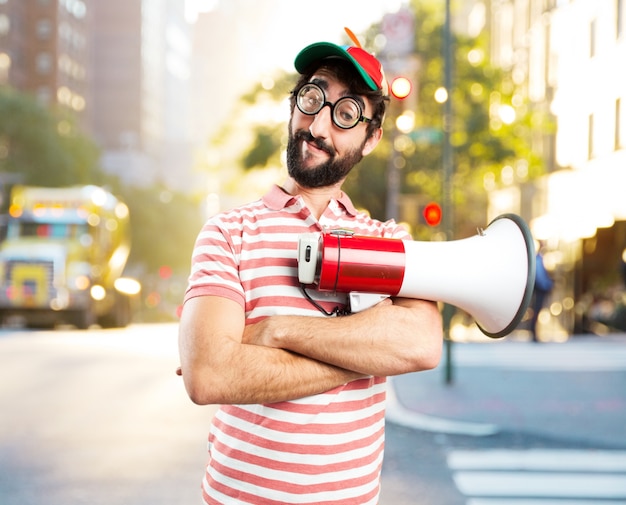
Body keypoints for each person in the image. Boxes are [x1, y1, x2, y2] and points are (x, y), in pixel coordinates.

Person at [177, 32, 443, 505]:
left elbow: (419, 345)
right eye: (312, 97)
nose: (318, 125)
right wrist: (363, 354)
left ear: (371, 138)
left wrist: (275, 330)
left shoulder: (387, 240)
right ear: (293, 104)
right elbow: (210, 376)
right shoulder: (227, 233)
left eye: (345, 114)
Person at [530, 246, 553, 342]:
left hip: (540, 289)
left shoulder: (539, 259)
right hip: (540, 290)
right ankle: (533, 332)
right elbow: (540, 277)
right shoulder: (538, 260)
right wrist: (548, 285)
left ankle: (534, 332)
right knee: (536, 311)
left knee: (536, 311)